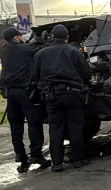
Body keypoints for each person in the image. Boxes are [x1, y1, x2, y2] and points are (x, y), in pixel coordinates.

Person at [30, 23, 92, 171]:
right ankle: (78, 159)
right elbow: (87, 74)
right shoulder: (74, 52)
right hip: (73, 95)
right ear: (67, 37)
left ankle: (57, 163)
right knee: (75, 127)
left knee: (55, 128)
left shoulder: (41, 53)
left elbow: (34, 75)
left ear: (52, 37)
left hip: (51, 96)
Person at [0, 27, 45, 173]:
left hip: (10, 94)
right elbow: (41, 48)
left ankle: (20, 154)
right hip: (25, 93)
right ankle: (36, 154)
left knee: (16, 125)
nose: (22, 37)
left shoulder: (4, 50)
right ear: (16, 37)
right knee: (34, 122)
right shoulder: (25, 49)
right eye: (20, 36)